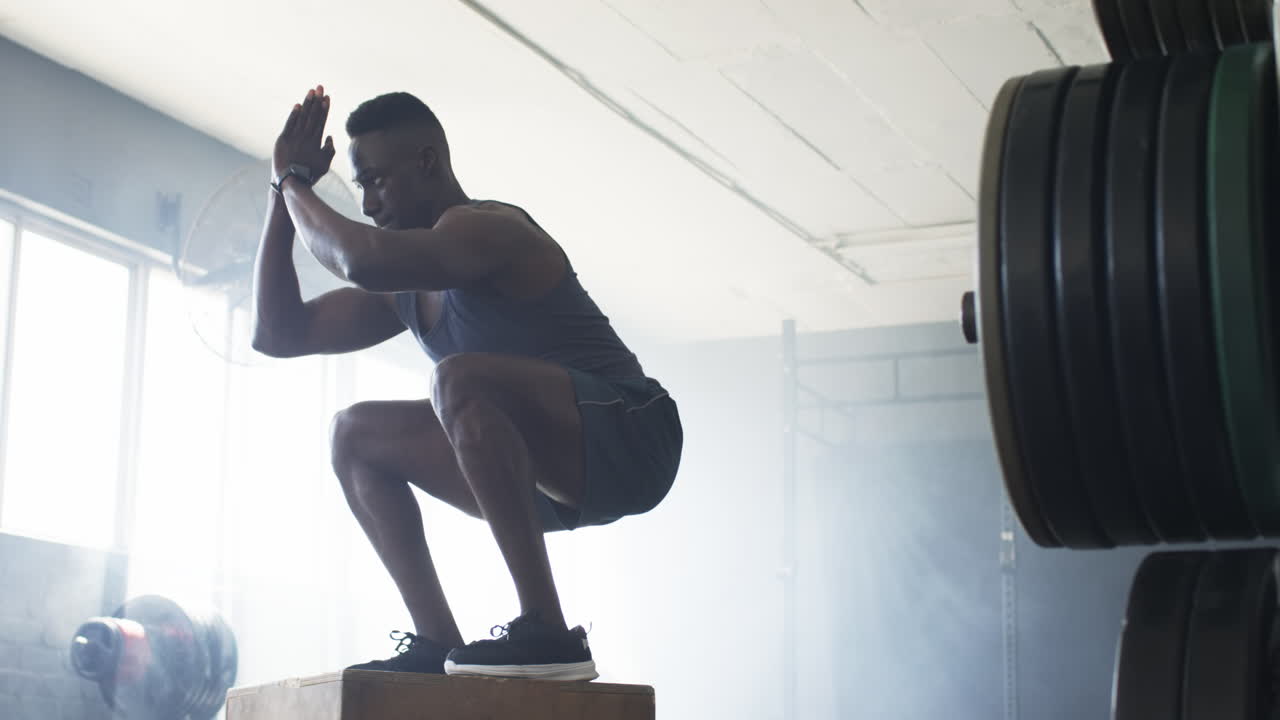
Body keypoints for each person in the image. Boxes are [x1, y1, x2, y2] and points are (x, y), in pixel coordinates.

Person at [250, 85, 682, 682]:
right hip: (551, 476)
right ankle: (436, 644)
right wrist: (280, 194)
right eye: (361, 186)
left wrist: (295, 182)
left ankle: (549, 634)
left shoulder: (490, 229)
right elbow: (279, 332)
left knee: (458, 379)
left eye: (375, 180)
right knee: (353, 435)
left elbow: (361, 259)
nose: (370, 203)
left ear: (427, 160)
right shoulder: (406, 290)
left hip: (634, 436)